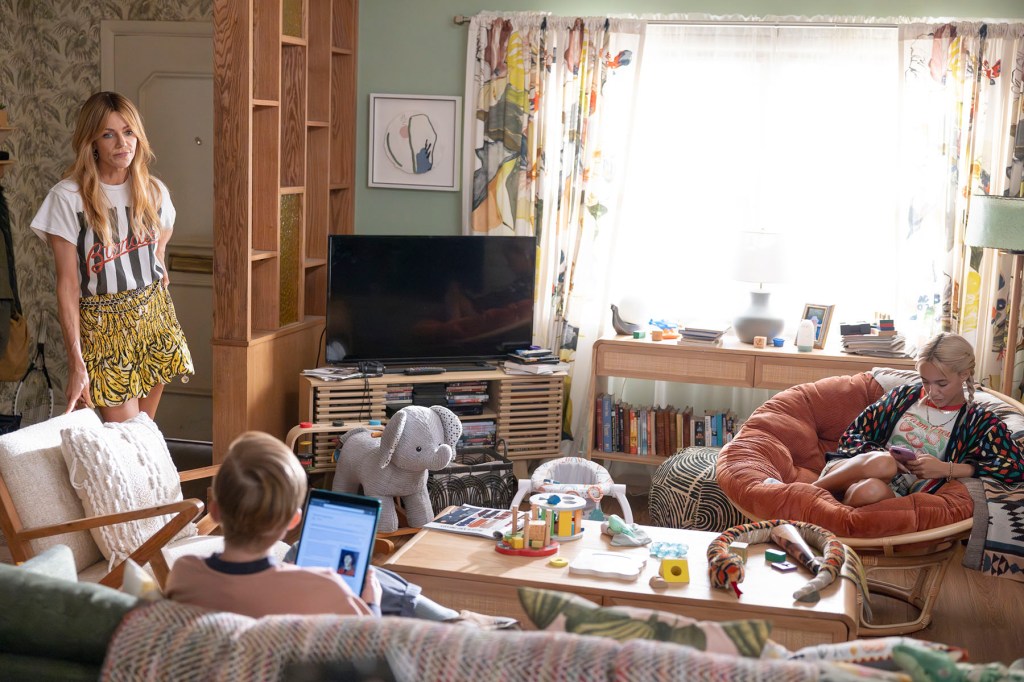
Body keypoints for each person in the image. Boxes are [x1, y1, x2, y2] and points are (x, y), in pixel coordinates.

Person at [166, 430, 517, 628]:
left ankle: (456, 620)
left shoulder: (184, 573)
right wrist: (369, 601)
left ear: (214, 509)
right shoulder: (324, 587)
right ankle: (456, 623)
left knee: (299, 553)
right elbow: (367, 646)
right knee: (366, 577)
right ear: (293, 520)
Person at [31, 91, 193, 422]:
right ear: (92, 142)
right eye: (109, 134)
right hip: (103, 328)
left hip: (153, 318)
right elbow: (67, 286)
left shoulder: (154, 191)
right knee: (125, 438)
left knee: (142, 434)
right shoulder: (68, 198)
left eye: (129, 132)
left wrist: (159, 258)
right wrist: (77, 362)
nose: (122, 143)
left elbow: (163, 236)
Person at [814, 331, 1024, 507]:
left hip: (892, 492)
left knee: (870, 490)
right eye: (925, 381)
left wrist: (947, 468)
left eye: (942, 384)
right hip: (848, 471)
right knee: (885, 463)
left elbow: (1016, 467)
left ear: (964, 375)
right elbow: (852, 435)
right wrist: (884, 456)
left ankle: (827, 513)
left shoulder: (979, 422)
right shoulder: (903, 396)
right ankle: (809, 493)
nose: (932, 391)